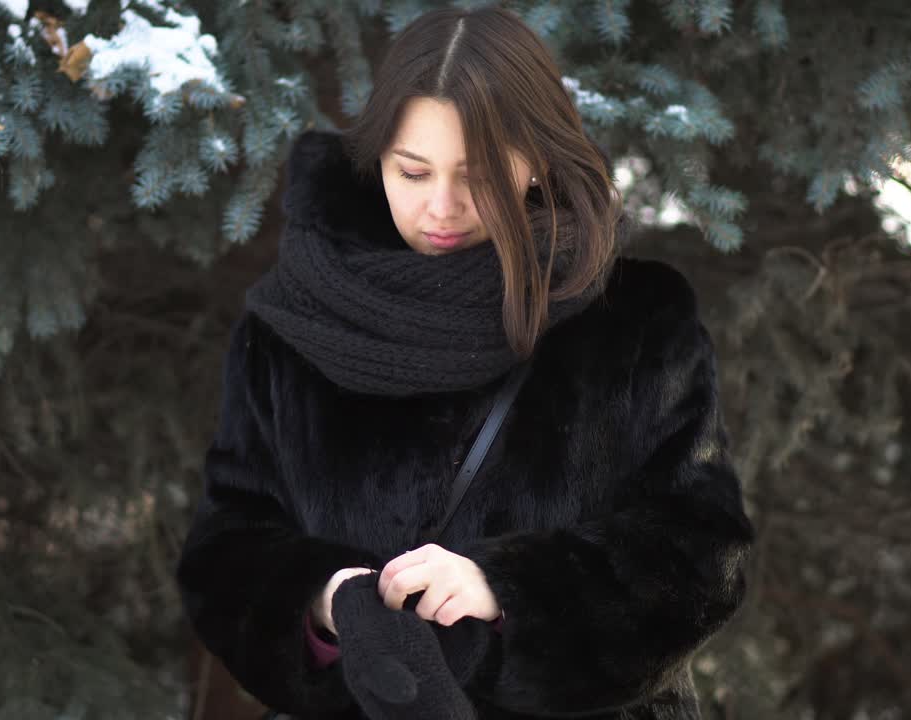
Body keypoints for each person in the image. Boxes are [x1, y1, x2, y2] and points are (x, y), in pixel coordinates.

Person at [175, 6, 754, 719]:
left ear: (537, 162)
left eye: (477, 175)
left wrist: (508, 591)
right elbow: (226, 548)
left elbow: (701, 551)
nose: (441, 207)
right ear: (377, 158)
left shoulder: (636, 322)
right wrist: (324, 604)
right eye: (413, 172)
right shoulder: (290, 326)